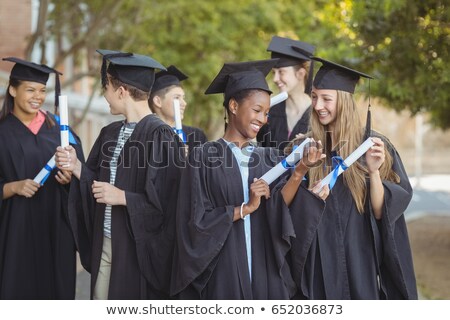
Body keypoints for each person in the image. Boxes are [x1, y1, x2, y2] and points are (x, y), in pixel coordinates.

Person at [170, 59, 326, 299]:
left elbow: (279, 209)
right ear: (233, 106)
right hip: (223, 271)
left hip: (265, 269)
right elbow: (193, 221)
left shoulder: (270, 157)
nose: (263, 119)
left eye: (266, 113)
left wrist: (299, 171)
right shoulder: (203, 156)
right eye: (256, 110)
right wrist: (245, 208)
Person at [55, 50, 185, 299]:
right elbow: (97, 183)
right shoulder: (110, 133)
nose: (105, 95)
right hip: (105, 240)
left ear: (122, 91)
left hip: (137, 249)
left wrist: (124, 197)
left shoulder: (161, 136)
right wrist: (77, 168)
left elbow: (170, 202)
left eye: (107, 88)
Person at [290, 56, 417, 299]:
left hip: (359, 259)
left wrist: (373, 171)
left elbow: (382, 213)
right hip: (316, 264)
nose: (317, 106)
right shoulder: (305, 148)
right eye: (314, 97)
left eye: (326, 98)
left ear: (345, 102)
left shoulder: (374, 146)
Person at [0, 57, 84, 299]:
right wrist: (13, 187)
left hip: (56, 231)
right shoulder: (3, 132)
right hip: (15, 231)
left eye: (42, 90)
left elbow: (84, 176)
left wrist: (70, 179)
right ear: (13, 89)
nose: (37, 96)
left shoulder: (61, 132)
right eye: (30, 89)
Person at [257, 36, 316, 151]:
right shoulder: (270, 113)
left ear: (300, 74)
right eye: (274, 72)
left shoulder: (318, 115)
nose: (275, 78)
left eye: (281, 72)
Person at [149, 65, 208, 152]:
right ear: (158, 101)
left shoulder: (196, 136)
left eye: (183, 98)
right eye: (177, 98)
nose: (184, 103)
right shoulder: (147, 135)